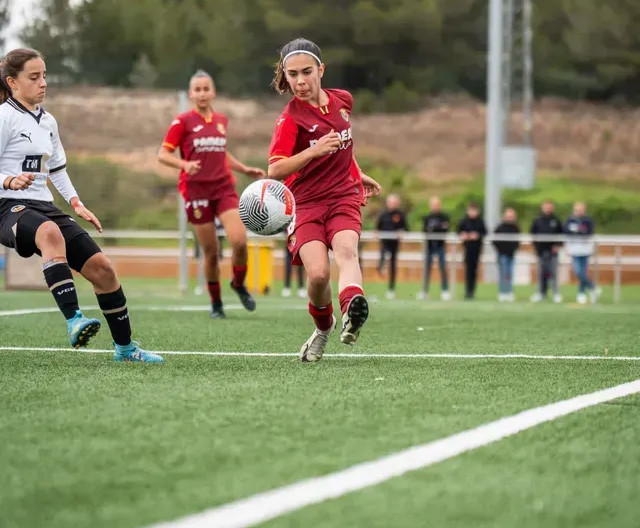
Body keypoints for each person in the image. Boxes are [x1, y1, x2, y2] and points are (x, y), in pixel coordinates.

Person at [0, 48, 162, 362]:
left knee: (102, 269)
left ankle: (126, 349)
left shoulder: (48, 122)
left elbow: (57, 169)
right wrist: (8, 181)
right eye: (34, 78)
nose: (43, 83)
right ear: (13, 82)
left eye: (44, 76)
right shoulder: (3, 117)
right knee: (50, 234)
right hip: (7, 207)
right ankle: (75, 320)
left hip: (42, 206)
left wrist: (76, 203)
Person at [267, 37, 381, 361]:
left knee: (347, 251)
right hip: (305, 203)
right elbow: (275, 169)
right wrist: (313, 150)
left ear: (321, 70)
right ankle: (323, 327)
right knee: (317, 275)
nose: (300, 81)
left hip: (343, 194)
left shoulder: (343, 101)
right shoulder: (289, 119)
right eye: (292, 75)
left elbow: (344, 144)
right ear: (285, 76)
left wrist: (357, 174)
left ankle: (352, 313)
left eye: (306, 72)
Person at [158, 70, 265, 319]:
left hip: (223, 186)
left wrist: (244, 169)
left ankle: (238, 283)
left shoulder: (221, 120)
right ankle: (216, 303)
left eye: (206, 89)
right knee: (211, 251)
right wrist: (184, 165)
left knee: (239, 240)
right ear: (191, 93)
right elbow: (162, 154)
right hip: (195, 190)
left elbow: (220, 152)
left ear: (213, 92)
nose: (202, 93)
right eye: (197, 89)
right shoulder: (182, 122)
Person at [564, 202, 600, 304]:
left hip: (585, 250)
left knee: (583, 272)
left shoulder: (588, 220)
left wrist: (577, 230)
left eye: (581, 209)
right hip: (574, 250)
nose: (579, 211)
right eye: (577, 209)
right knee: (578, 272)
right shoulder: (570, 220)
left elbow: (589, 232)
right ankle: (593, 287)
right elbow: (566, 232)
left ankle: (581, 293)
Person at [418, 195, 451, 301]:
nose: (435, 206)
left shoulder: (444, 217)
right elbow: (425, 230)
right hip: (429, 246)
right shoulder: (427, 217)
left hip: (440, 245)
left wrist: (434, 228)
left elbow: (445, 229)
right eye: (433, 204)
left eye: (436, 204)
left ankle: (445, 290)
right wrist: (436, 228)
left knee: (442, 267)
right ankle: (424, 291)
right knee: (427, 268)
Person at [530, 200, 563, 303]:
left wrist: (557, 245)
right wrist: (536, 247)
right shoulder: (537, 220)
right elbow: (532, 234)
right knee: (541, 274)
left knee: (553, 273)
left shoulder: (556, 220)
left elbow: (561, 235)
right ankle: (541, 293)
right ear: (542, 207)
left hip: (553, 252)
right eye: (546, 207)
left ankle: (556, 293)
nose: (548, 209)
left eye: (550, 207)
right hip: (540, 252)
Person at [376, 193, 408, 299]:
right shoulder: (383, 214)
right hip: (384, 243)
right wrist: (377, 233)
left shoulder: (400, 215)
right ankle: (381, 269)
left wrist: (401, 232)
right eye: (390, 202)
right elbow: (377, 228)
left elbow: (406, 228)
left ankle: (391, 289)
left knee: (393, 266)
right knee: (382, 258)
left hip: (394, 244)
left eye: (394, 202)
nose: (392, 204)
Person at [457, 202, 487, 300]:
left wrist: (477, 235)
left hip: (477, 249)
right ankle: (467, 291)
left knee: (474, 271)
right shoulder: (464, 221)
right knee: (468, 270)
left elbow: (484, 232)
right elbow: (458, 231)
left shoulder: (480, 222)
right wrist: (463, 235)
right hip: (467, 249)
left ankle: (472, 291)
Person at [492, 207, 520, 302]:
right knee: (503, 274)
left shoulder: (516, 228)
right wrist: (501, 250)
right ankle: (502, 293)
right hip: (502, 255)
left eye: (511, 216)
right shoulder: (500, 227)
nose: (510, 218)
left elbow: (518, 241)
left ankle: (509, 292)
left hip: (511, 254)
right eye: (508, 216)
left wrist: (514, 249)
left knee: (510, 274)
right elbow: (494, 240)